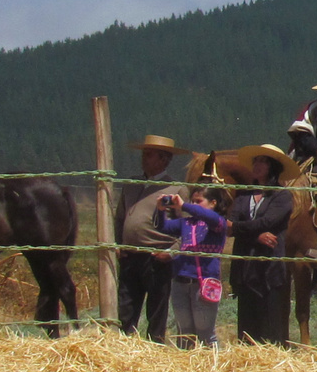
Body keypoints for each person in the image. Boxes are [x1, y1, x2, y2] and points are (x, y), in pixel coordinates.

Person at [115, 134, 190, 344]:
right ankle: (123, 344)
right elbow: (120, 218)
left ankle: (155, 347)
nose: (144, 159)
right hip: (130, 255)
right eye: (144, 154)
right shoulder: (130, 185)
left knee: (156, 308)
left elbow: (188, 226)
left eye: (149, 155)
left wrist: (172, 251)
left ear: (164, 160)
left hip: (157, 257)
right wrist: (118, 244)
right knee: (126, 305)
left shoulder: (176, 189)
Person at [227, 144, 295, 345]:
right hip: (245, 267)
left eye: (263, 161)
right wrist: (256, 237)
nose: (257, 165)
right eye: (255, 161)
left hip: (269, 268)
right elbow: (229, 226)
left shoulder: (282, 196)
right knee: (246, 326)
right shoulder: (243, 195)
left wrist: (239, 228)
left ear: (272, 166)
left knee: (270, 324)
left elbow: (267, 223)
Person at [155, 185, 229, 349]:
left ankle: (212, 367)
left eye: (199, 201)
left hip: (203, 283)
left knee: (205, 333)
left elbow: (208, 217)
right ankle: (187, 368)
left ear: (213, 203)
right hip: (180, 281)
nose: (194, 205)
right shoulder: (186, 223)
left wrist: (185, 206)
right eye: (192, 201)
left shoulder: (218, 223)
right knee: (184, 332)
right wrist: (161, 210)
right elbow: (163, 227)